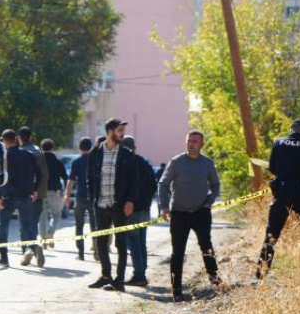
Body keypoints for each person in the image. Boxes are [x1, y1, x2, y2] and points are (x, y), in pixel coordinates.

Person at [158, 130, 222, 302]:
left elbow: (215, 185)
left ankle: (215, 281)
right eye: (188, 141)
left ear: (202, 144)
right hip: (179, 213)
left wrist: (208, 202)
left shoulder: (207, 163)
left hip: (201, 212)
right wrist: (164, 206)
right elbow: (163, 184)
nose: (191, 144)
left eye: (194, 141)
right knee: (178, 252)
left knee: (206, 246)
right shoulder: (177, 162)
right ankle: (176, 290)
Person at [86, 118, 137, 291]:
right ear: (110, 132)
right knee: (101, 242)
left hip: (119, 205)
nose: (122, 133)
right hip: (100, 204)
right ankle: (105, 275)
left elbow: (133, 181)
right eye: (119, 130)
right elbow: (90, 178)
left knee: (121, 243)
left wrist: (130, 201)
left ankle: (119, 280)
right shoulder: (95, 153)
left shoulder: (127, 154)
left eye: (123, 130)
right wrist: (92, 198)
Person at [256, 119, 300, 279]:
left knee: (272, 233)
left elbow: (272, 168)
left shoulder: (279, 142)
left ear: (292, 129)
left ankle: (262, 272)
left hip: (282, 192)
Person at [0, 129, 41, 268]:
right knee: (27, 226)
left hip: (8, 196)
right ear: (16, 139)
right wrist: (34, 189)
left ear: (3, 140)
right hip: (26, 195)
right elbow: (40, 174)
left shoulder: (4, 156)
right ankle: (34, 247)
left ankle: (4, 258)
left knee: (3, 227)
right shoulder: (28, 154)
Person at [120, 136, 156, 288]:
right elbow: (154, 186)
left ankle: (139, 275)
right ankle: (142, 272)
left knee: (133, 242)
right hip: (145, 209)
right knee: (141, 242)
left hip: (131, 210)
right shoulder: (145, 163)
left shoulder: (125, 163)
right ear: (134, 146)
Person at [18, 126, 48, 265]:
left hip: (25, 194)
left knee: (24, 225)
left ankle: (28, 250)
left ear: (19, 138)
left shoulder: (21, 153)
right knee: (33, 224)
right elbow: (43, 174)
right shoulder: (39, 152)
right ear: (30, 137)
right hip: (38, 195)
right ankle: (33, 249)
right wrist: (39, 193)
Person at [64, 137, 96, 260]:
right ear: (91, 147)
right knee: (94, 225)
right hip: (93, 197)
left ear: (79, 148)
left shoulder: (76, 161)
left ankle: (81, 253)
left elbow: (71, 180)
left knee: (79, 225)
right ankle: (96, 251)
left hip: (80, 197)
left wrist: (67, 195)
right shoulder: (95, 160)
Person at [40, 139, 68, 248]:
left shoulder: (39, 160)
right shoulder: (57, 161)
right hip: (55, 191)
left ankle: (43, 241)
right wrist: (63, 190)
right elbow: (65, 177)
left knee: (42, 217)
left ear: (41, 148)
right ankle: (50, 233)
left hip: (41, 192)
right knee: (56, 215)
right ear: (52, 148)